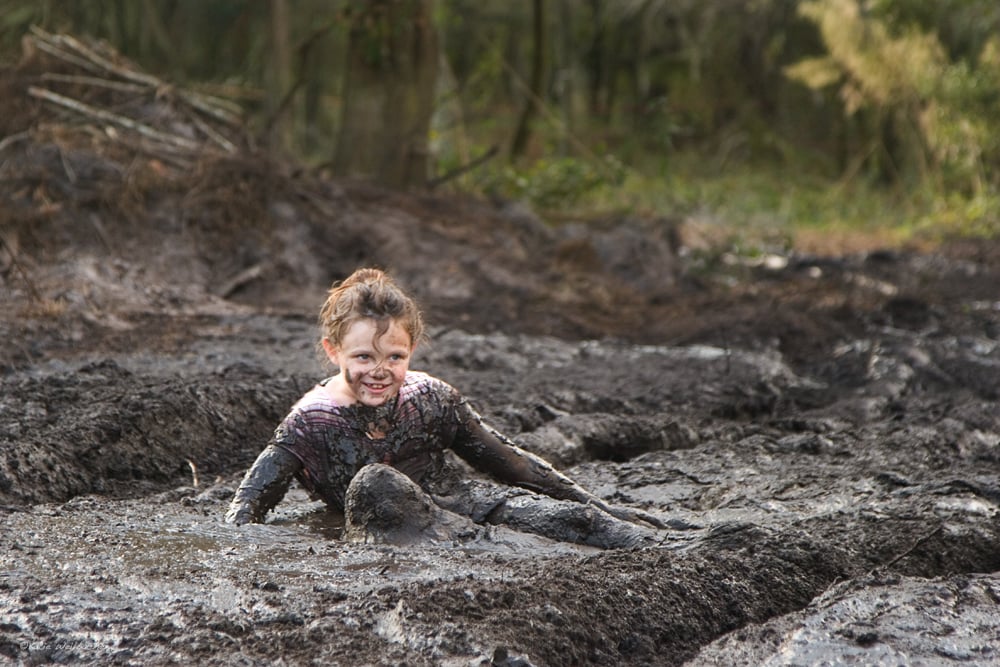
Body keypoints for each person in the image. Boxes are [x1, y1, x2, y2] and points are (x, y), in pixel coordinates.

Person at [225, 267, 664, 548]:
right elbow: (245, 512)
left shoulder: (431, 398)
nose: (379, 371)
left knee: (578, 521)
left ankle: (669, 541)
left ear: (411, 350)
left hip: (465, 508)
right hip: (382, 535)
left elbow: (514, 466)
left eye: (394, 357)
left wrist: (605, 509)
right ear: (333, 351)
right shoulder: (309, 422)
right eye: (363, 358)